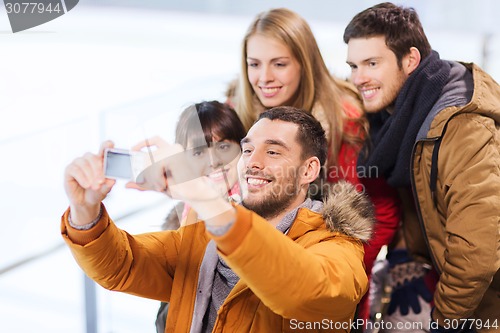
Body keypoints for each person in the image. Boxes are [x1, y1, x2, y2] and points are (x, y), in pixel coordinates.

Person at [61, 106, 375, 332]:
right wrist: (85, 209)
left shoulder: (339, 246)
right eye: (248, 149)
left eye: (274, 152)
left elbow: (305, 292)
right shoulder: (201, 235)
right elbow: (122, 265)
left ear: (309, 171)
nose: (253, 162)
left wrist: (201, 195)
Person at [228, 8, 402, 322]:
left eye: (279, 64)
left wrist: (342, 290)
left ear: (304, 64)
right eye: (254, 64)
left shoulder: (342, 122)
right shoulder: (237, 113)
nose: (264, 78)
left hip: (316, 284)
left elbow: (380, 212)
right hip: (244, 279)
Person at [344, 3, 500, 332]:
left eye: (372, 63)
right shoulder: (398, 118)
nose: (359, 78)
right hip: (449, 288)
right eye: (354, 65)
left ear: (410, 60)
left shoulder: (461, 126)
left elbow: (477, 252)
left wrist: (442, 323)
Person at [154, 101, 246, 332]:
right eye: (198, 152)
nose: (213, 161)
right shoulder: (180, 225)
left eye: (223, 147)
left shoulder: (264, 212)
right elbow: (166, 321)